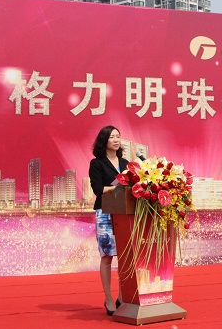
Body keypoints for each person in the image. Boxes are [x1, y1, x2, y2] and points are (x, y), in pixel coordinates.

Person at [89, 125, 127, 316]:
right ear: (104, 140)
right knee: (107, 256)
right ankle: (109, 298)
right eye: (112, 137)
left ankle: (122, 296)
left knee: (124, 256)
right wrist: (118, 186)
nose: (116, 140)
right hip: (104, 213)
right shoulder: (97, 163)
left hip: (124, 212)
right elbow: (98, 190)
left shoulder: (126, 163)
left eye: (118, 136)